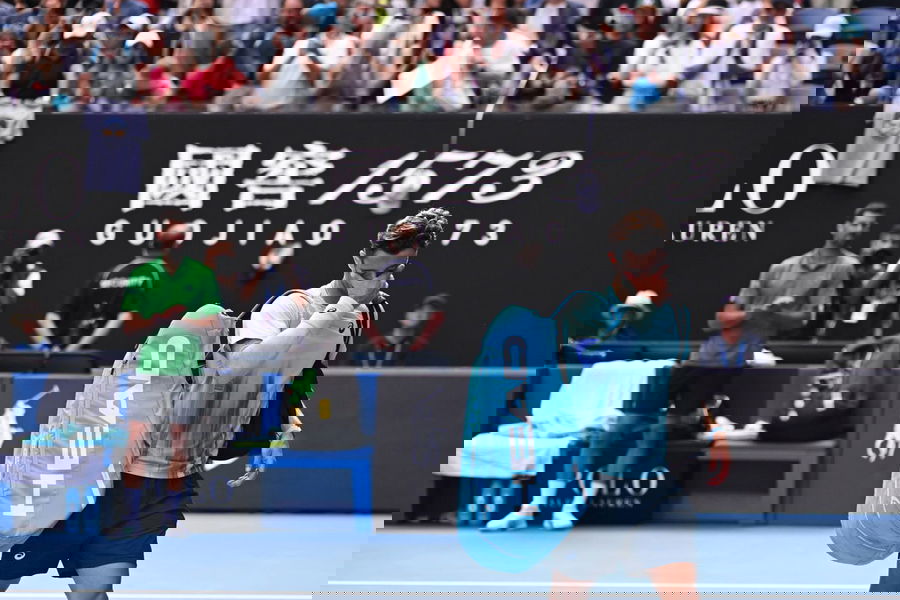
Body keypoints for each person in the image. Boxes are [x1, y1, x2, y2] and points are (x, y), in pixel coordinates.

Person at [0, 208, 450, 599]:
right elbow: (315, 326)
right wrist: (369, 279)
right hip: (129, 476)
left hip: (166, 481)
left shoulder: (261, 339)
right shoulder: (240, 363)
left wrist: (382, 262)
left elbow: (331, 302)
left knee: (96, 579)